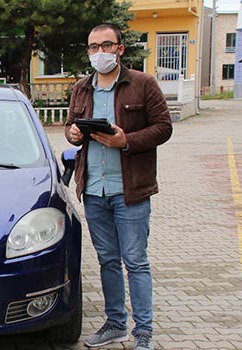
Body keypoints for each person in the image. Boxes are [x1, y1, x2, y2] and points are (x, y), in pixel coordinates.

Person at [65, 24, 172, 350]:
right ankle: (115, 324)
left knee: (135, 261)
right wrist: (73, 134)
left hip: (131, 191)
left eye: (106, 45)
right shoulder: (82, 88)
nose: (100, 52)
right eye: (93, 47)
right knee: (108, 261)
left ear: (120, 49)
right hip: (94, 191)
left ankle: (144, 332)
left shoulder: (142, 84)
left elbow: (163, 128)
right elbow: (71, 125)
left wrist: (127, 140)